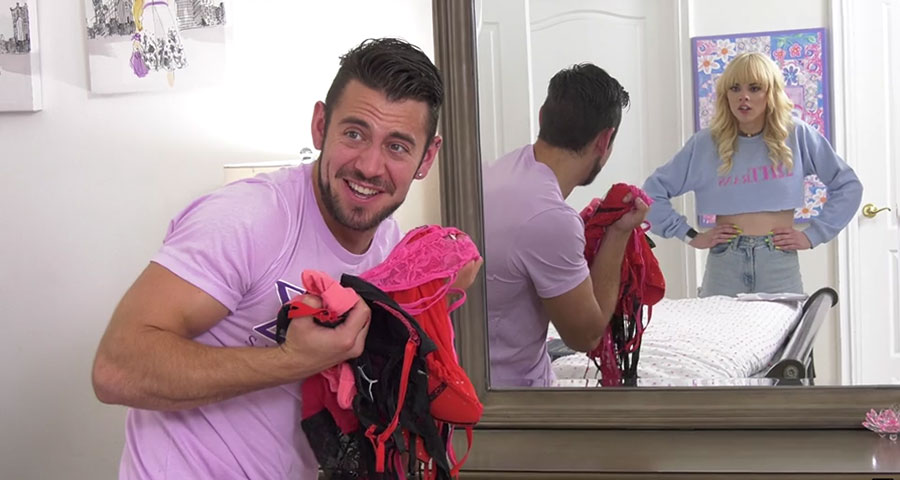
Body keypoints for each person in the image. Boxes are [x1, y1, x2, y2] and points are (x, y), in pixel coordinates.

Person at [91, 38, 478, 479]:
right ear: (320, 126)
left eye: (397, 147)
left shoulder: (390, 247)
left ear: (427, 157)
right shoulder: (246, 219)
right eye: (354, 134)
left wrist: (434, 294)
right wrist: (293, 359)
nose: (370, 167)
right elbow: (116, 368)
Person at [643, 52, 862, 297]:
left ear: (771, 92)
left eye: (755, 88)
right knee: (717, 324)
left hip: (777, 260)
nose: (743, 96)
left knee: (784, 324)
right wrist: (689, 235)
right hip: (725, 262)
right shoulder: (705, 143)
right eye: (735, 88)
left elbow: (848, 186)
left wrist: (813, 235)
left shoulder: (797, 135)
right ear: (726, 95)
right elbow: (651, 193)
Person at [483, 63, 647, 387]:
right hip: (511, 401)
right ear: (605, 140)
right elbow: (585, 336)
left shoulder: (495, 173)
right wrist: (618, 233)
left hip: (470, 381)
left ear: (542, 117)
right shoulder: (550, 217)